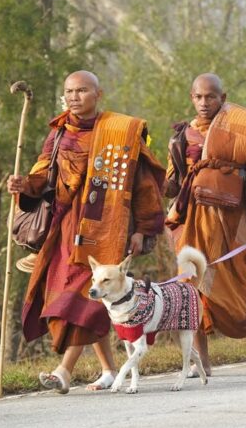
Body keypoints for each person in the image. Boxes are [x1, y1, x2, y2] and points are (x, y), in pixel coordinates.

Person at [9, 70, 165, 394]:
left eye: (82, 90)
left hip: (107, 228)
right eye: (69, 91)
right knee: (65, 300)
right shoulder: (58, 134)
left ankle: (64, 371)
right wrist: (24, 184)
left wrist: (143, 230)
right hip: (65, 229)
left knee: (84, 300)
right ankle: (109, 370)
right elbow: (43, 174)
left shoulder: (121, 131)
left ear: (99, 94)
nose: (74, 96)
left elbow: (144, 186)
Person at [165, 74, 246, 370]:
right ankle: (199, 359)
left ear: (223, 96)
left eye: (211, 97)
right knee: (192, 286)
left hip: (234, 221)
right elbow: (171, 182)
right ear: (191, 98)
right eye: (198, 97)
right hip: (192, 223)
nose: (204, 103)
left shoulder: (243, 130)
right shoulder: (181, 137)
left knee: (244, 277)